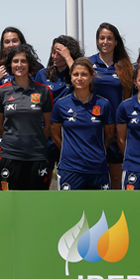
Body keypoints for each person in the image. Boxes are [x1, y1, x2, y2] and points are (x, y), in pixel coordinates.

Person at [0, 44, 53, 190]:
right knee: (10, 203)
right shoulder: (1, 92)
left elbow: (48, 126)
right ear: (10, 65)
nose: (19, 65)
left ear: (30, 64)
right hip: (10, 155)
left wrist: (34, 142)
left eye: (23, 61)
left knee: (37, 202)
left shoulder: (43, 91)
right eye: (15, 61)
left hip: (37, 155)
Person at [50, 58, 114, 190]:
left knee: (99, 209)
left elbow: (109, 137)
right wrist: (71, 151)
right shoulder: (61, 104)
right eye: (76, 74)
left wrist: (94, 153)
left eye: (84, 74)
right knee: (70, 210)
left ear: (91, 77)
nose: (80, 78)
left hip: (98, 169)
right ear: (71, 77)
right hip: (70, 170)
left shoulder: (103, 104)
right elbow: (55, 136)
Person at [88, 22, 133, 190]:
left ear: (116, 41)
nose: (105, 42)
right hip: (94, 128)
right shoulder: (88, 63)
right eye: (102, 38)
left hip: (116, 130)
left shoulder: (125, 65)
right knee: (93, 177)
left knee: (116, 178)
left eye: (109, 38)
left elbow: (127, 98)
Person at [35, 35, 84, 183]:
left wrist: (69, 58)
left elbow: (83, 79)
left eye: (60, 52)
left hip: (70, 136)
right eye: (53, 52)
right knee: (42, 180)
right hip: (47, 135)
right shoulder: (42, 75)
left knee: (70, 180)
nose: (55, 56)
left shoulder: (77, 74)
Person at [0, 27, 27, 107]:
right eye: (7, 42)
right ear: (3, 47)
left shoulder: (35, 68)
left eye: (14, 41)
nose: (11, 45)